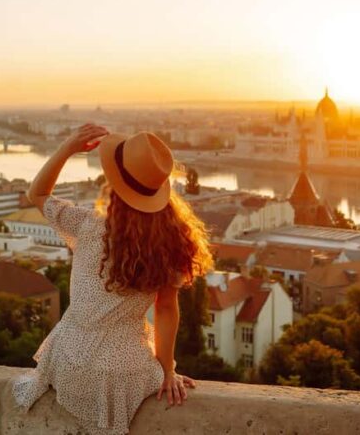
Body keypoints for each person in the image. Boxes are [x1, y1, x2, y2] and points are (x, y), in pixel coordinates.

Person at [12, 124, 213, 434]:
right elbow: (165, 310)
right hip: (124, 372)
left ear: (114, 183)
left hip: (68, 361)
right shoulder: (169, 244)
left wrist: (68, 147)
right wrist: (168, 370)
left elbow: (36, 193)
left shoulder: (87, 225)